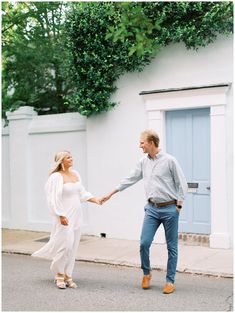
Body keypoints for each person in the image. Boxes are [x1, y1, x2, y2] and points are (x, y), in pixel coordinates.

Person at [100, 130, 187, 294]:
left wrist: (179, 206)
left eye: (142, 142)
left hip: (170, 208)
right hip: (151, 209)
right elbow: (130, 179)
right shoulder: (143, 162)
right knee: (144, 243)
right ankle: (147, 273)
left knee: (171, 247)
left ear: (152, 142)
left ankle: (170, 281)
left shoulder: (169, 161)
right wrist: (110, 193)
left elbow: (182, 184)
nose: (140, 145)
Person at [32, 151, 101, 289]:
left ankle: (68, 275)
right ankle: (59, 275)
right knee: (65, 245)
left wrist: (96, 200)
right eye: (68, 157)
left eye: (71, 156)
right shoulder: (56, 177)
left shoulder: (75, 174)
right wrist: (60, 215)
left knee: (73, 247)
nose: (71, 158)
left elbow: (82, 193)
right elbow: (52, 198)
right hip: (64, 216)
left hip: (77, 216)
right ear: (61, 161)